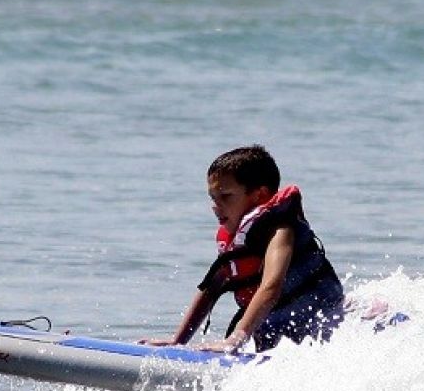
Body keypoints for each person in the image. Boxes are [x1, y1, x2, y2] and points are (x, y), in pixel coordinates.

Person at [143, 145, 345, 353]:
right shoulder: (237, 243)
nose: (216, 206)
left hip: (320, 331)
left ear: (259, 195)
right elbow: (210, 290)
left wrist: (234, 339)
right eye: (213, 198)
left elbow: (271, 288)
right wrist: (178, 340)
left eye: (226, 196)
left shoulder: (281, 232)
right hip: (276, 336)